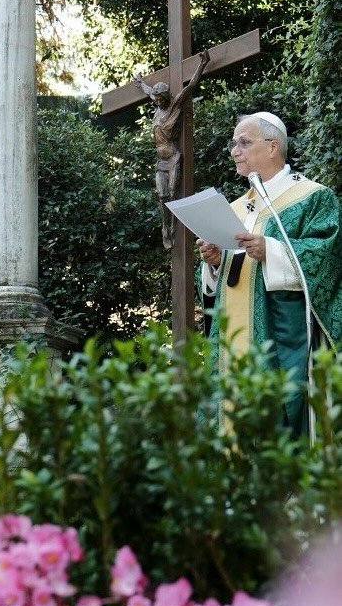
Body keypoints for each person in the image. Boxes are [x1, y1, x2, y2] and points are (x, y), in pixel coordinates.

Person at [198, 111, 341, 437]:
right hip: (231, 341)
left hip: (282, 335)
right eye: (234, 144)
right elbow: (219, 286)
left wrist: (272, 251)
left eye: (244, 143)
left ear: (273, 146)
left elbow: (328, 260)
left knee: (279, 425)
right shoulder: (233, 208)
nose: (235, 151)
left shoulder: (312, 198)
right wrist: (214, 262)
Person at [134, 49, 209, 248]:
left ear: (166, 97)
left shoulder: (174, 106)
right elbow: (148, 91)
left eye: (160, 99)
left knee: (174, 195)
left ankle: (174, 228)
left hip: (173, 158)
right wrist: (140, 81)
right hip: (160, 161)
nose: (157, 101)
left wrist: (202, 65)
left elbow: (191, 86)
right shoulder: (157, 106)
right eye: (156, 99)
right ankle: (165, 228)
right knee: (162, 196)